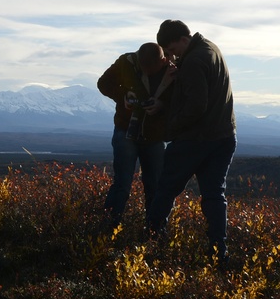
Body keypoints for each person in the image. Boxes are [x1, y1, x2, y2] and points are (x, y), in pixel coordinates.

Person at [145, 20, 237, 264]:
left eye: (172, 50)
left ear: (181, 40)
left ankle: (152, 241)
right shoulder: (211, 49)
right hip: (224, 136)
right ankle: (219, 251)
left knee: (165, 190)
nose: (172, 55)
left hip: (195, 139)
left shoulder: (195, 61)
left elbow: (196, 105)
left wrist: (171, 129)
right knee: (215, 195)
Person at [97, 41, 174, 225]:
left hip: (154, 136)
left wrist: (162, 105)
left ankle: (154, 232)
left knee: (154, 186)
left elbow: (182, 99)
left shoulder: (175, 71)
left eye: (151, 69)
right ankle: (108, 229)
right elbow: (103, 83)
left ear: (162, 61)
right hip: (127, 130)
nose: (147, 72)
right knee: (122, 185)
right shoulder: (127, 62)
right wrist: (122, 95)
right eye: (143, 68)